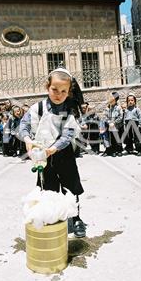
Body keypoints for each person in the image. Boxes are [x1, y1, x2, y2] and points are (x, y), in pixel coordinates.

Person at [18, 67, 86, 238]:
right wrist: (27, 140)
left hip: (63, 154)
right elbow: (24, 125)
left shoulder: (69, 110)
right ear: (47, 87)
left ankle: (75, 219)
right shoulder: (37, 108)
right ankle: (53, 218)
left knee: (71, 187)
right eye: (54, 89)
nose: (58, 94)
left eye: (63, 91)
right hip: (42, 156)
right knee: (47, 189)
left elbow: (68, 134)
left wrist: (53, 149)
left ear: (68, 92)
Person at [102, 92, 123, 157]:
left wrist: (114, 122)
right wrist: (109, 122)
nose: (110, 100)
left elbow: (121, 116)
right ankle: (113, 151)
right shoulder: (107, 108)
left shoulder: (118, 108)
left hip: (117, 126)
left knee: (118, 139)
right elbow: (105, 117)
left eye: (112, 98)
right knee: (112, 139)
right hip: (110, 127)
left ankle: (119, 150)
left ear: (115, 99)